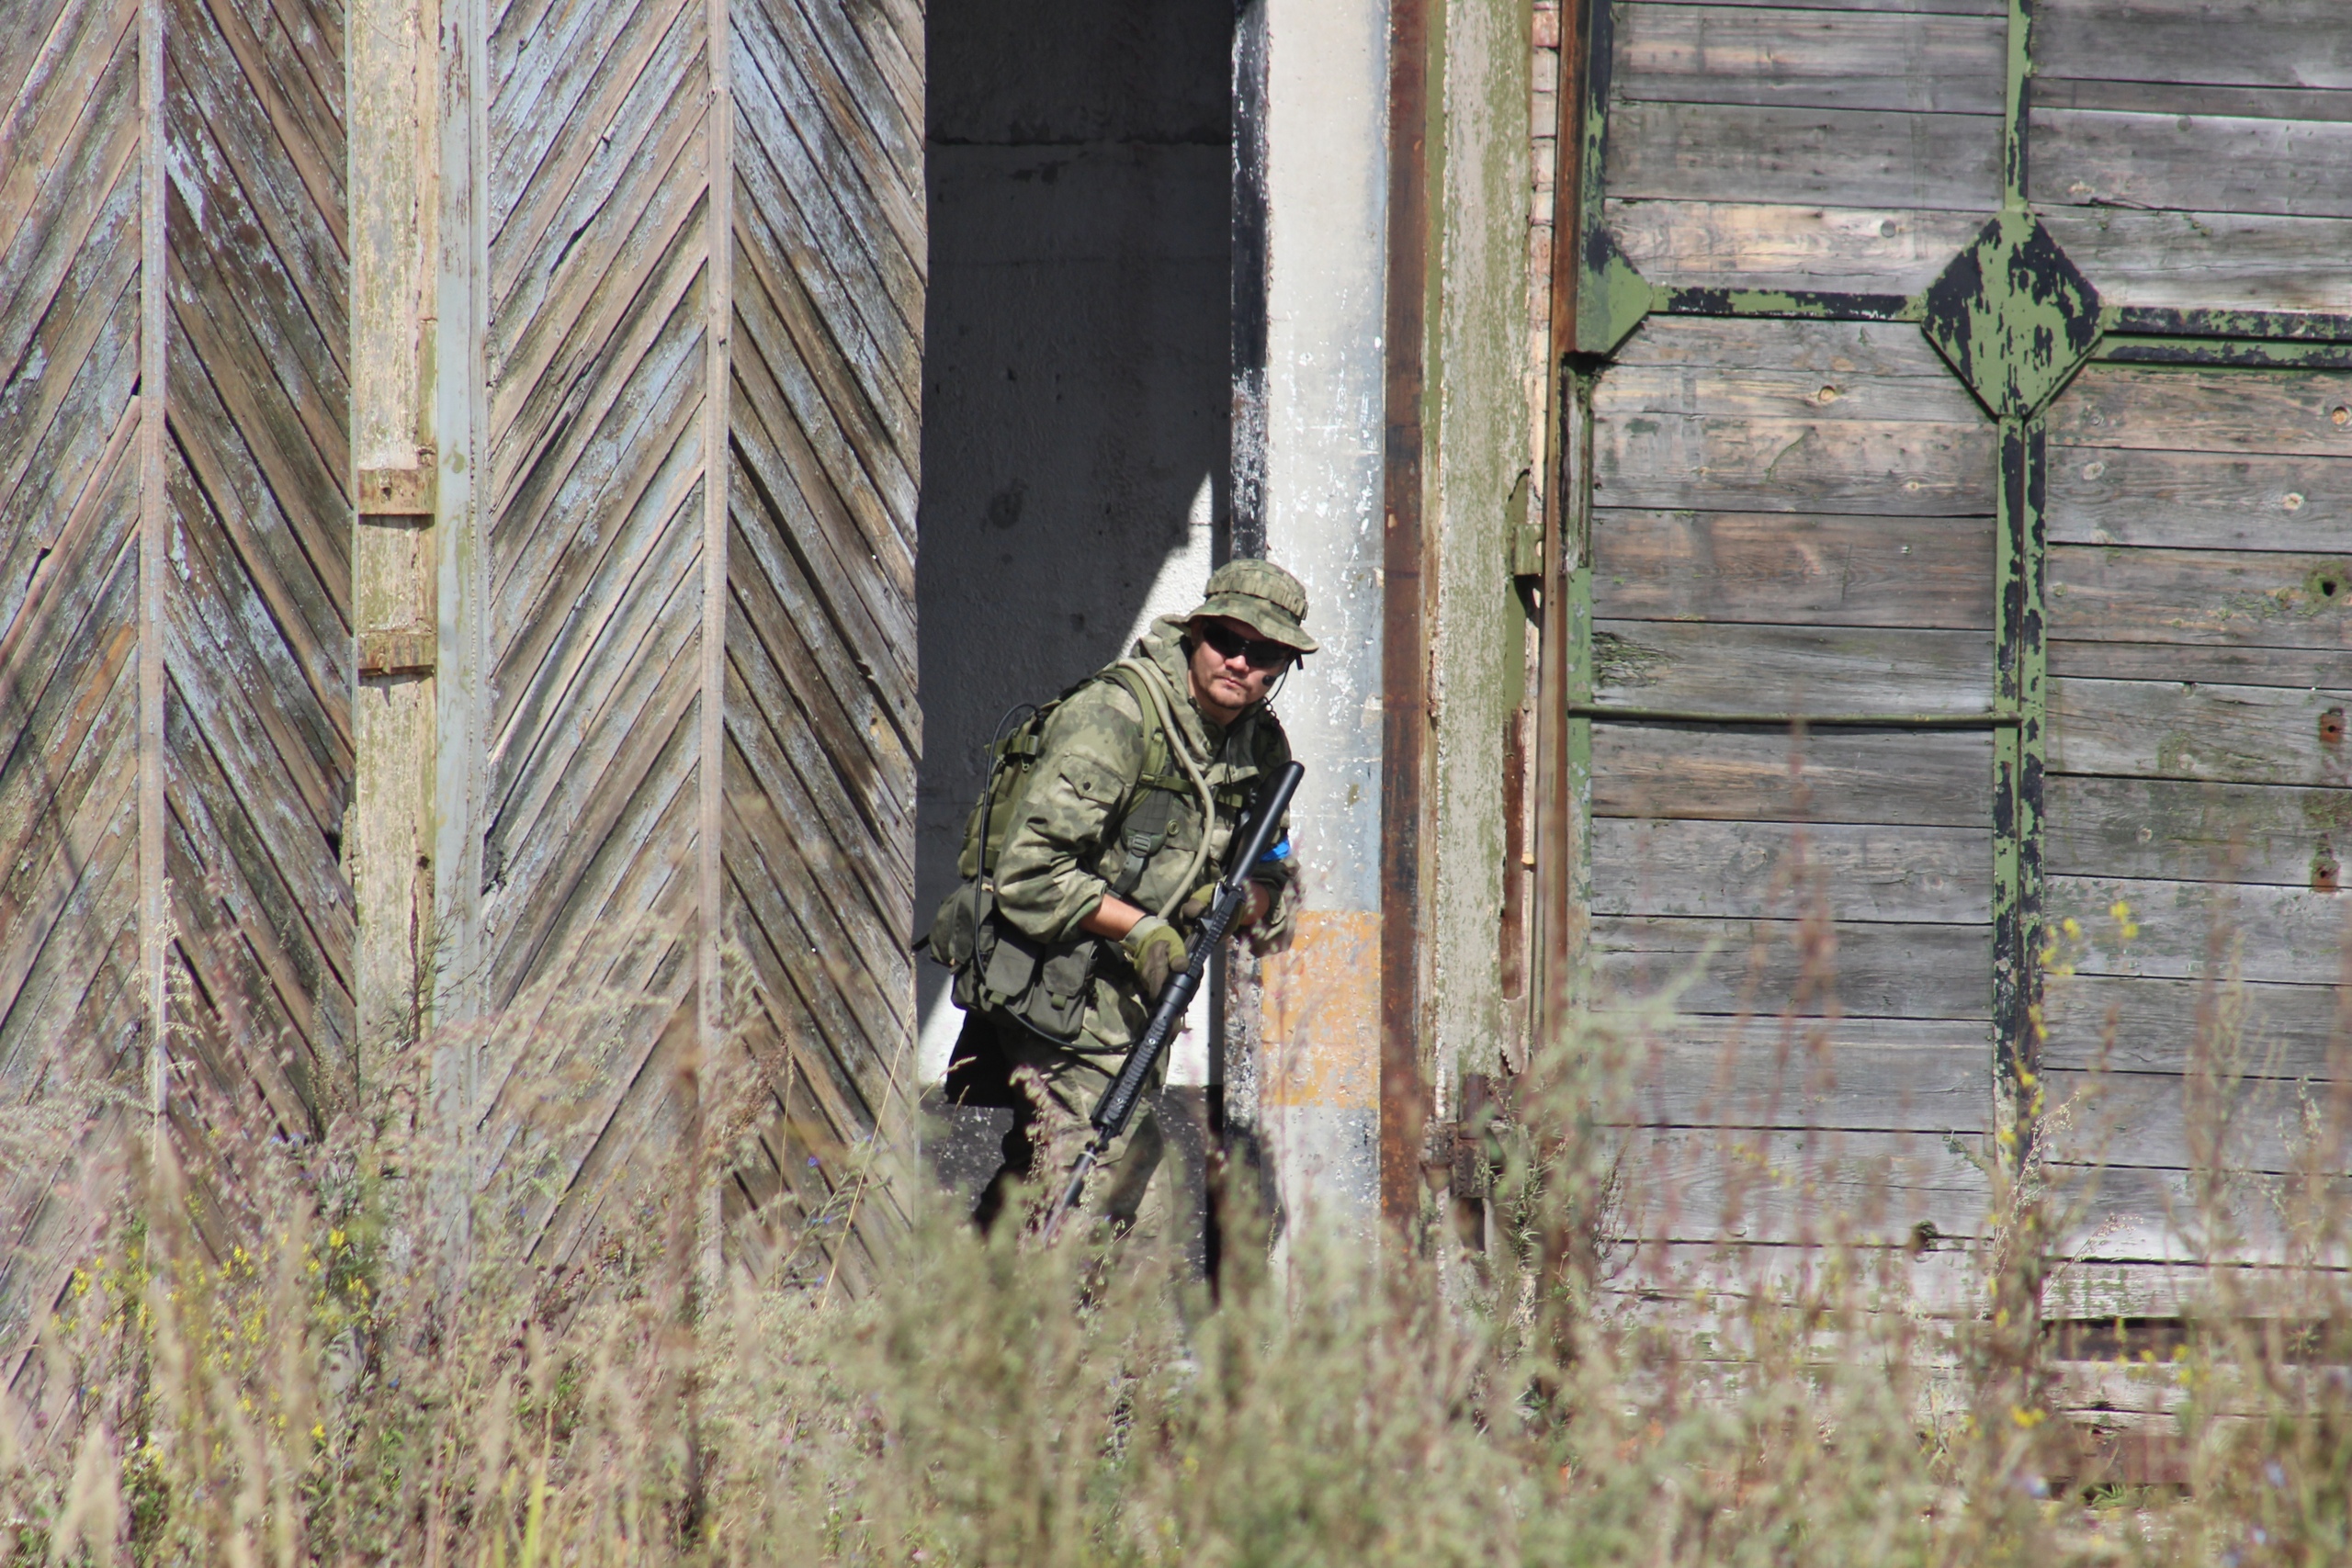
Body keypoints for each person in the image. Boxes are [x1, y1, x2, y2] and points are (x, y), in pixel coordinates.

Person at [938, 558, 1315, 1244]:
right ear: (1195, 633)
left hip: (1136, 1010)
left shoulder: (1259, 749)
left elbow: (1275, 879)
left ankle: (977, 1301)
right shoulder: (1117, 716)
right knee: (1117, 1199)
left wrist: (1241, 905)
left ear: (1284, 665)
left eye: (1264, 653)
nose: (1240, 661)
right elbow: (1029, 873)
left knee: (1049, 1184)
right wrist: (1143, 930)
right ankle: (1048, 1313)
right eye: (1226, 640)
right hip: (1053, 986)